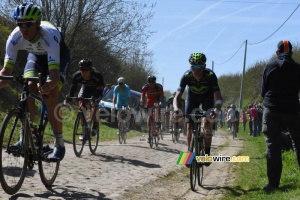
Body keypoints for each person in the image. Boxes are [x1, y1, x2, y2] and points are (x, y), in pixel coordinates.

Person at [0, 3, 70, 160]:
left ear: (38, 23)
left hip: (58, 55)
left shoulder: (49, 36)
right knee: (29, 86)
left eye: (28, 24)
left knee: (50, 94)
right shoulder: (14, 38)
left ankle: (59, 143)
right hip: (36, 56)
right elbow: (5, 73)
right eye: (20, 24)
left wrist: (50, 83)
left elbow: (54, 75)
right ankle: (26, 136)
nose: (23, 28)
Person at [261, 40, 300, 189]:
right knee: (298, 142)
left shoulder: (270, 66)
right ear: (291, 52)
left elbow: (263, 91)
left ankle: (273, 183)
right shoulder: (297, 68)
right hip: (291, 109)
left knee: (273, 144)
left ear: (277, 53)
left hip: (272, 108)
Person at [173, 52, 222, 166]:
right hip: (192, 98)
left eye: (199, 66)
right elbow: (177, 96)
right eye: (193, 66)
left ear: (204, 66)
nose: (196, 69)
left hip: (207, 97)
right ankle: (189, 154)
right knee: (189, 126)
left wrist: (216, 110)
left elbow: (218, 97)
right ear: (190, 67)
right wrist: (176, 109)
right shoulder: (186, 76)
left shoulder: (210, 75)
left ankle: (206, 155)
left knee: (206, 123)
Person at [65, 58, 104, 138]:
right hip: (85, 89)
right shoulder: (77, 76)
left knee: (94, 105)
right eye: (82, 70)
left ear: (90, 70)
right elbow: (72, 89)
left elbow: (100, 90)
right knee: (82, 108)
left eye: (86, 70)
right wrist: (68, 99)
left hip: (96, 90)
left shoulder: (97, 76)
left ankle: (95, 124)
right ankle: (84, 129)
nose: (84, 72)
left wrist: (95, 99)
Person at [140, 76, 164, 141]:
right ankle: (150, 133)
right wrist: (141, 103)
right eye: (150, 82)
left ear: (155, 82)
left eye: (153, 82)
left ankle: (157, 122)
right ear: (148, 82)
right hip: (149, 100)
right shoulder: (145, 87)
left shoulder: (159, 87)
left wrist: (161, 102)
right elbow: (142, 96)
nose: (151, 83)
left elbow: (162, 95)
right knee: (149, 116)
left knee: (156, 110)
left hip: (157, 99)